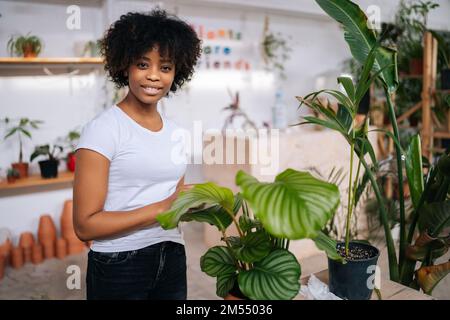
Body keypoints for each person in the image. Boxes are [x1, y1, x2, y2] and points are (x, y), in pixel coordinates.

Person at [73, 9, 201, 300]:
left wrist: (200, 204)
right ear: (125, 66)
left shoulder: (177, 132)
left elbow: (174, 202)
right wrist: (163, 208)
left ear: (176, 73)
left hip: (171, 254)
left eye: (165, 67)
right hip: (119, 262)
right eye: (143, 64)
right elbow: (84, 225)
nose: (154, 76)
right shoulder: (103, 130)